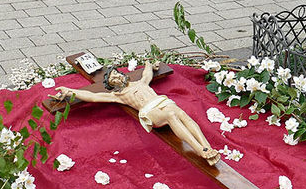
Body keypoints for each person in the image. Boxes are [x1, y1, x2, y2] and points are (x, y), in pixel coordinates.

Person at [53, 63, 220, 165]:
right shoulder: (118, 96)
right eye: (113, 80)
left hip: (163, 103)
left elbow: (147, 72)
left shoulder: (141, 82)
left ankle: (207, 147)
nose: (117, 78)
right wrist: (69, 91)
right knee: (171, 116)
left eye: (117, 74)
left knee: (182, 113)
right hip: (151, 111)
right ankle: (199, 150)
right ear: (112, 86)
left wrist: (149, 64)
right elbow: (93, 96)